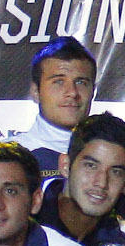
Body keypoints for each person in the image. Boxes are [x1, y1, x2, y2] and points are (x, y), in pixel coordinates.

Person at [39, 113, 125, 246]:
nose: (101, 182)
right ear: (65, 166)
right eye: (91, 166)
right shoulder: (22, 221)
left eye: (115, 172)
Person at [6, 38, 99, 182]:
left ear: (93, 91)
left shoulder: (107, 159)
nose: (72, 92)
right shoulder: (5, 158)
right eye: (59, 82)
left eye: (81, 82)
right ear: (36, 91)